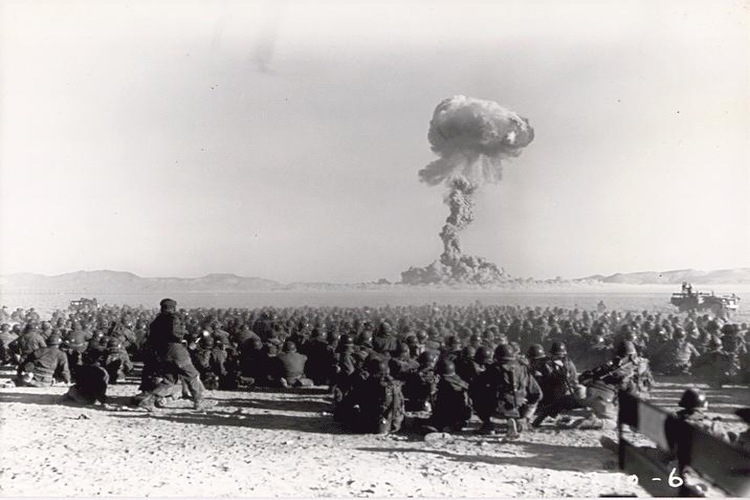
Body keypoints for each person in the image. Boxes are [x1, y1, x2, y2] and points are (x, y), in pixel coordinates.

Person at [137, 299, 207, 411]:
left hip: (162, 352)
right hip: (176, 350)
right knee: (192, 374)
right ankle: (199, 401)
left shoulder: (156, 320)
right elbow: (176, 333)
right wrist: (185, 335)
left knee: (169, 380)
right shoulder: (173, 318)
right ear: (173, 307)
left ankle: (148, 400)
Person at [470, 343, 542, 438]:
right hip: (521, 407)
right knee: (533, 400)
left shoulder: (493, 369)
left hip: (499, 407)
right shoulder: (523, 369)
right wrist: (527, 408)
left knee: (476, 395)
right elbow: (537, 393)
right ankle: (522, 421)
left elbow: (476, 388)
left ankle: (488, 426)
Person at [334, 357, 405, 434]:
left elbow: (347, 403)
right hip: (395, 424)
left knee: (350, 413)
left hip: (373, 426)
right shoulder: (395, 386)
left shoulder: (366, 385)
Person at [424, 359, 472, 433]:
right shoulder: (459, 381)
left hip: (449, 416)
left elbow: (433, 397)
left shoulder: (444, 383)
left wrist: (432, 385)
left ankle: (444, 425)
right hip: (463, 415)